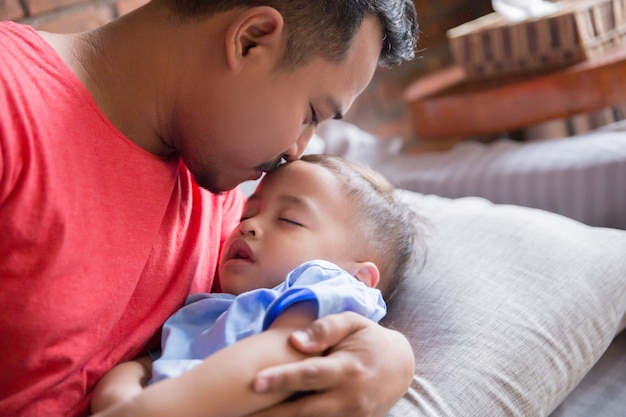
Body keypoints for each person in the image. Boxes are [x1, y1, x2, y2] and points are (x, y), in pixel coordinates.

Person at [0, 0, 419, 416]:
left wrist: (392, 357)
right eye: (311, 114)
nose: (296, 152)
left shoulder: (225, 206)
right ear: (250, 40)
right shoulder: (12, 101)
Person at [89, 154, 428, 416]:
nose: (249, 226)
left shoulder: (325, 286)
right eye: (247, 214)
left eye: (289, 220)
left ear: (359, 278)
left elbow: (279, 355)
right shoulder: (209, 306)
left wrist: (148, 409)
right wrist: (120, 395)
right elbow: (150, 363)